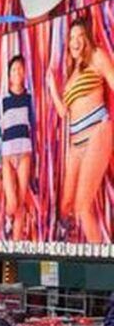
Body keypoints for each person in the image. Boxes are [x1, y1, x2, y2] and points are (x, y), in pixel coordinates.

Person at [46, 17, 114, 243]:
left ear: (87, 38)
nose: (74, 41)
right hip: (75, 145)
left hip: (97, 133)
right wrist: (53, 88)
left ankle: (104, 265)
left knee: (82, 206)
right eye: (71, 38)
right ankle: (73, 251)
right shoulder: (72, 72)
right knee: (66, 206)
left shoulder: (97, 56)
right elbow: (64, 112)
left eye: (79, 36)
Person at [1, 55, 35, 241]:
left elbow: (34, 123)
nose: (17, 72)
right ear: (9, 74)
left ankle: (15, 242)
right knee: (12, 202)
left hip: (24, 151)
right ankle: (7, 217)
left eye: (20, 69)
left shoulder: (30, 97)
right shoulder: (3, 98)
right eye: (14, 69)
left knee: (21, 202)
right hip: (7, 153)